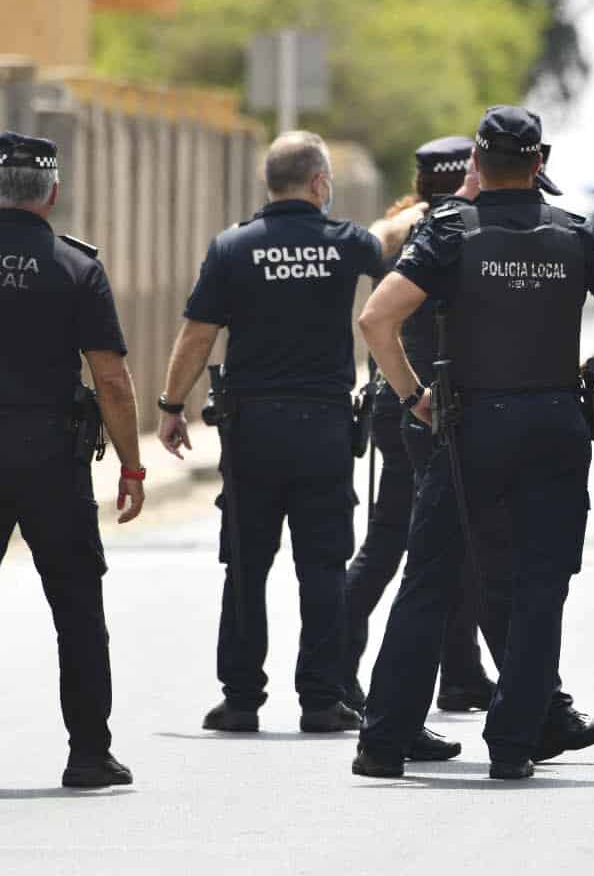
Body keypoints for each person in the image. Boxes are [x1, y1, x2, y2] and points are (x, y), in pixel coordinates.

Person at [355, 105, 594, 781]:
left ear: (478, 162)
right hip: (554, 425)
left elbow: (377, 318)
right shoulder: (574, 236)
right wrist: (589, 372)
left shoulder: (448, 232)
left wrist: (414, 397)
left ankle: (382, 745)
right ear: (539, 163)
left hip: (469, 427)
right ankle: (513, 745)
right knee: (538, 587)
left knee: (429, 578)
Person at [156, 131, 432, 740]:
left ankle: (241, 701)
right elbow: (386, 246)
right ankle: (320, 700)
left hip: (252, 429)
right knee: (323, 567)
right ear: (320, 184)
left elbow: (198, 335)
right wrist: (422, 208)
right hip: (325, 429)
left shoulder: (233, 247)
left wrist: (171, 405)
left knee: (246, 567)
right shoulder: (345, 244)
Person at [0, 131, 147, 790]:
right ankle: (89, 754)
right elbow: (113, 380)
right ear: (53, 193)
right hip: (51, 460)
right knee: (75, 606)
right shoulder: (76, 269)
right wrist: (131, 464)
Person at [342, 137, 493, 716]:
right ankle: (333, 672)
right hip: (420, 401)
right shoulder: (452, 231)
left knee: (431, 543)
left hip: (401, 396)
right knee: (403, 545)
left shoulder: (403, 228)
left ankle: (460, 674)